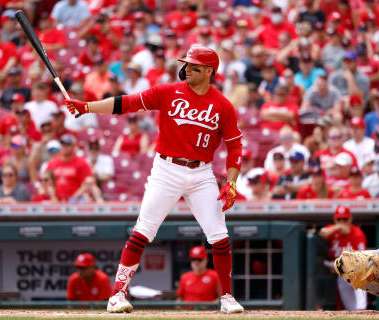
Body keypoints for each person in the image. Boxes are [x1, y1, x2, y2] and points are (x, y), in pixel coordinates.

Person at [65, 45, 244, 314]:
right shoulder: (168, 91)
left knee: (219, 236)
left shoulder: (222, 105)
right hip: (166, 170)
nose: (187, 69)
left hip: (201, 173)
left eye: (194, 66)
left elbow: (235, 146)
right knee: (143, 230)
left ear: (209, 71)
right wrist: (87, 107)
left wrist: (231, 182)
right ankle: (117, 295)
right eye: (186, 64)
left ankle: (227, 297)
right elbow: (126, 103)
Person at [319, 206, 367, 310]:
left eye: (345, 219)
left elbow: (363, 260)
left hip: (356, 271)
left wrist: (341, 264)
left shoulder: (357, 234)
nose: (342, 222)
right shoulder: (334, 230)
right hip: (341, 274)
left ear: (350, 219)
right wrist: (337, 227)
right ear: (334, 219)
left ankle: (362, 309)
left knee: (360, 306)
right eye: (339, 219)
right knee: (349, 307)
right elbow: (322, 233)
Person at [46, 134, 93, 201]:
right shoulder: (52, 163)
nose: (64, 147)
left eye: (67, 144)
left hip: (76, 201)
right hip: (56, 200)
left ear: (73, 146)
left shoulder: (82, 162)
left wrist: (73, 198)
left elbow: (87, 184)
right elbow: (46, 182)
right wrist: (53, 196)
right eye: (62, 144)